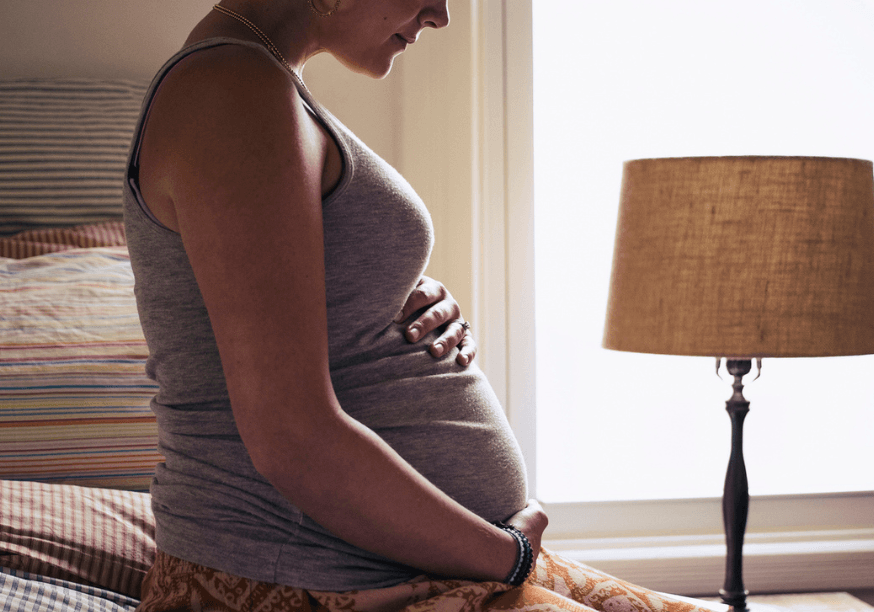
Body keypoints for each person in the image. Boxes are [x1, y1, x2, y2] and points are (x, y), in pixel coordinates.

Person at [123, 2, 718, 611]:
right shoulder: (229, 89)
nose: (442, 14)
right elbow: (291, 438)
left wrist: (396, 299)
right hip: (307, 583)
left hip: (401, 566)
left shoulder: (258, 82)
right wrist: (510, 556)